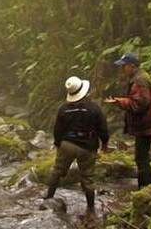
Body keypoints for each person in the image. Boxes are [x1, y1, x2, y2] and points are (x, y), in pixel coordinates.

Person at [44, 76, 109, 216]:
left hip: (67, 144)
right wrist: (104, 142)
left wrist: (58, 143)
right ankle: (91, 208)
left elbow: (57, 130)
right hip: (88, 147)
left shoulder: (63, 108)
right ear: (84, 91)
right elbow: (103, 128)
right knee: (87, 178)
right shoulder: (93, 108)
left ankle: (48, 197)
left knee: (57, 171)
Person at [104, 52, 151, 189]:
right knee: (143, 156)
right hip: (149, 122)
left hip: (147, 124)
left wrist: (119, 102)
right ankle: (147, 185)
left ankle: (145, 189)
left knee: (141, 158)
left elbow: (140, 104)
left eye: (124, 66)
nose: (122, 69)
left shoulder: (139, 81)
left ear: (132, 66)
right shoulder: (140, 76)